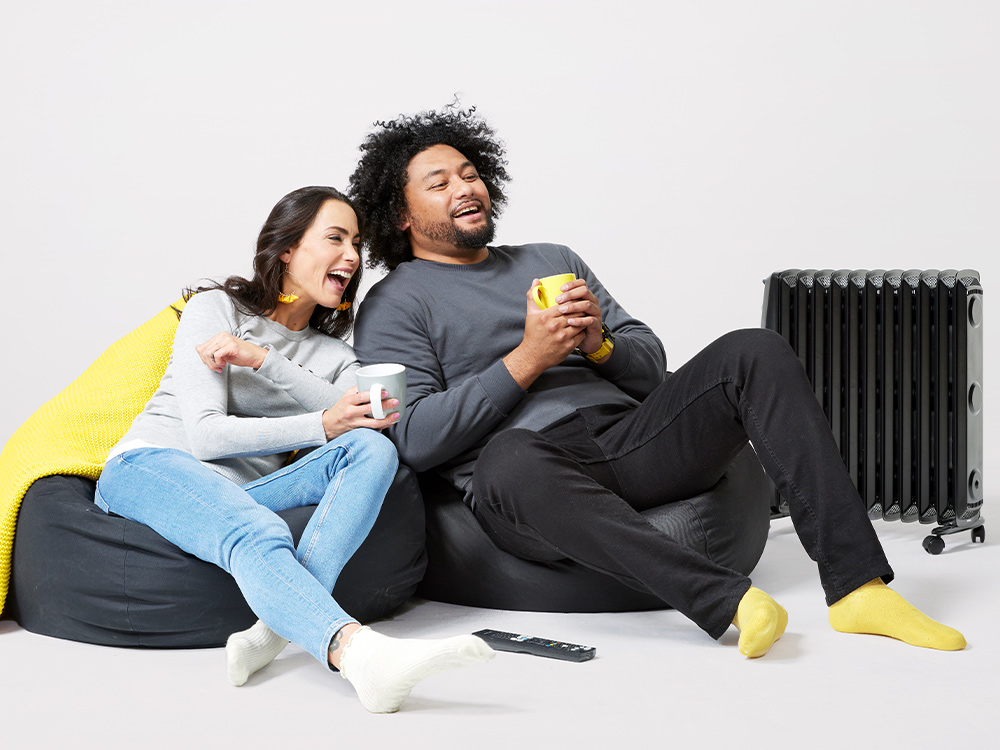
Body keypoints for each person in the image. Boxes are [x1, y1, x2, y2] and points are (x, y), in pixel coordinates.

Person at [349, 106, 967, 658]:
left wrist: (599, 344)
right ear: (402, 214)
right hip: (530, 480)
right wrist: (529, 357)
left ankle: (858, 586)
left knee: (754, 349)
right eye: (440, 183)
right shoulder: (395, 303)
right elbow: (417, 439)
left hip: (628, 440)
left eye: (469, 173)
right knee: (510, 458)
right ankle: (726, 601)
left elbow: (650, 365)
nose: (465, 187)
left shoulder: (551, 258)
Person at [94, 186, 493, 713]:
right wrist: (321, 420)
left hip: (240, 491)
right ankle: (356, 653)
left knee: (373, 452)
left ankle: (271, 631)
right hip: (153, 468)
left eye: (357, 243)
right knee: (260, 530)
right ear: (287, 248)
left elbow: (354, 418)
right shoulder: (217, 309)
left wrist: (265, 361)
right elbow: (208, 436)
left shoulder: (335, 355)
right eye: (335, 238)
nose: (352, 256)